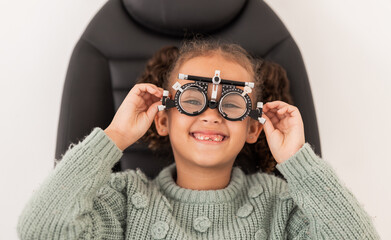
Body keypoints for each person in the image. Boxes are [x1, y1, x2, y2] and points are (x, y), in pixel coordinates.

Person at [17, 40, 380, 239]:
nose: (212, 113)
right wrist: (115, 136)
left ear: (254, 128)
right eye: (192, 100)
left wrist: (298, 161)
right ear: (162, 118)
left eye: (233, 104)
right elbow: (42, 230)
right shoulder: (124, 201)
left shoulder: (280, 207)